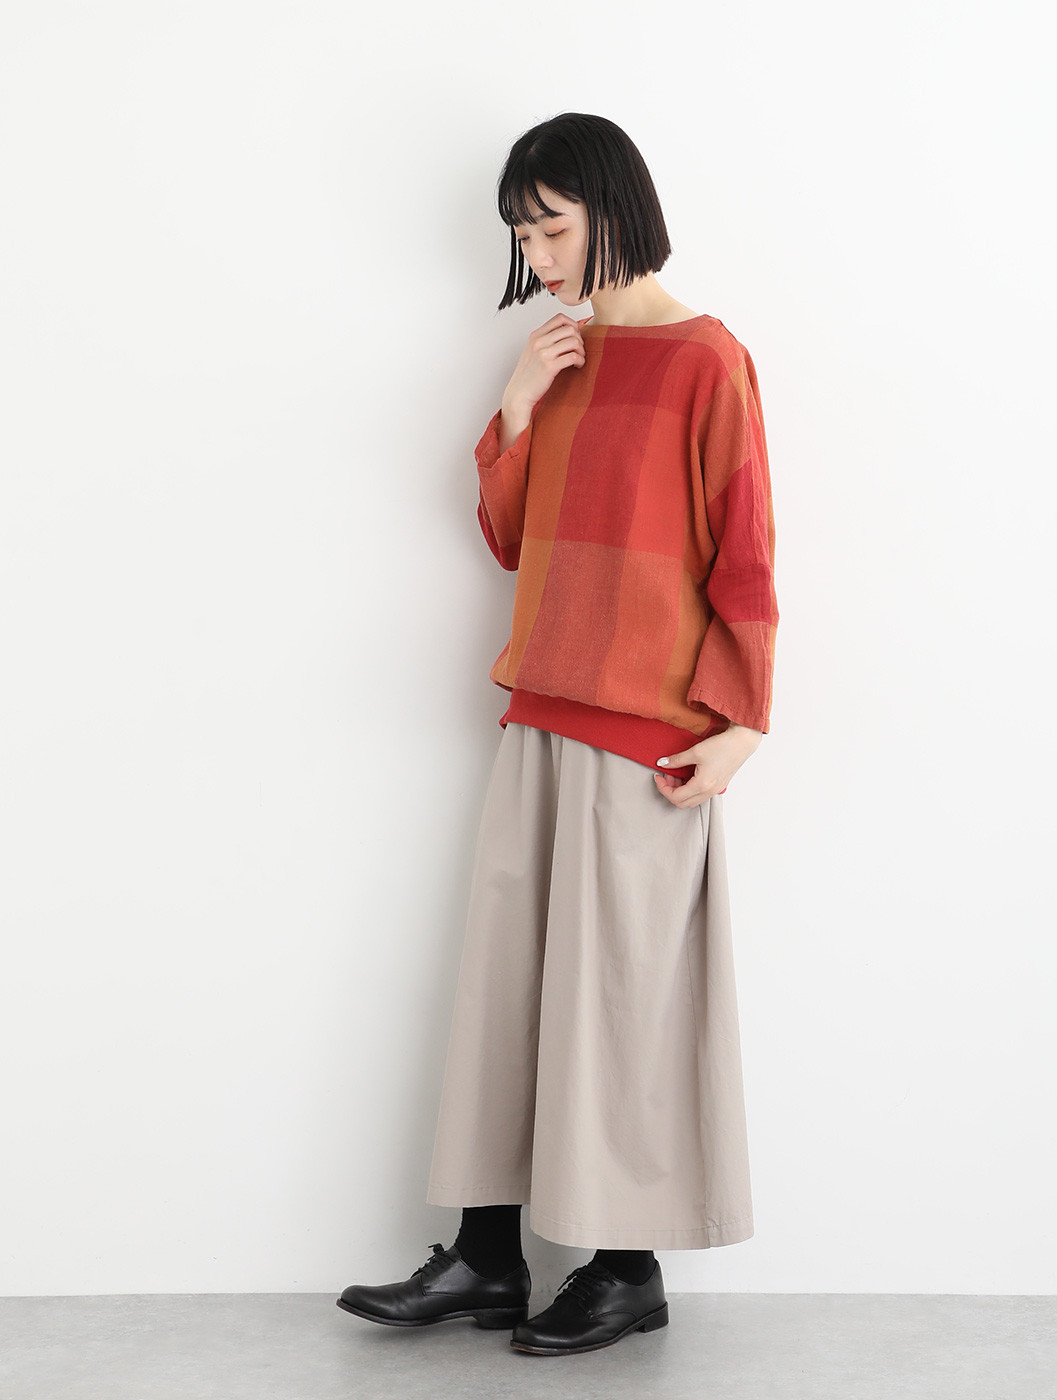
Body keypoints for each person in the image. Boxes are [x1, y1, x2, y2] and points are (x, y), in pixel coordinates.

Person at [337, 111, 779, 1358]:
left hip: (649, 738)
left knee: (618, 1002)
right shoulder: (558, 352)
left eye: (550, 228)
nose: (535, 257)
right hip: (538, 714)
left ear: (613, 210)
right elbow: (512, 538)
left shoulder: (708, 360)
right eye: (521, 236)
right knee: (509, 990)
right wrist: (519, 404)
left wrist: (744, 719)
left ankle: (626, 1271)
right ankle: (486, 1256)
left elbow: (746, 550)